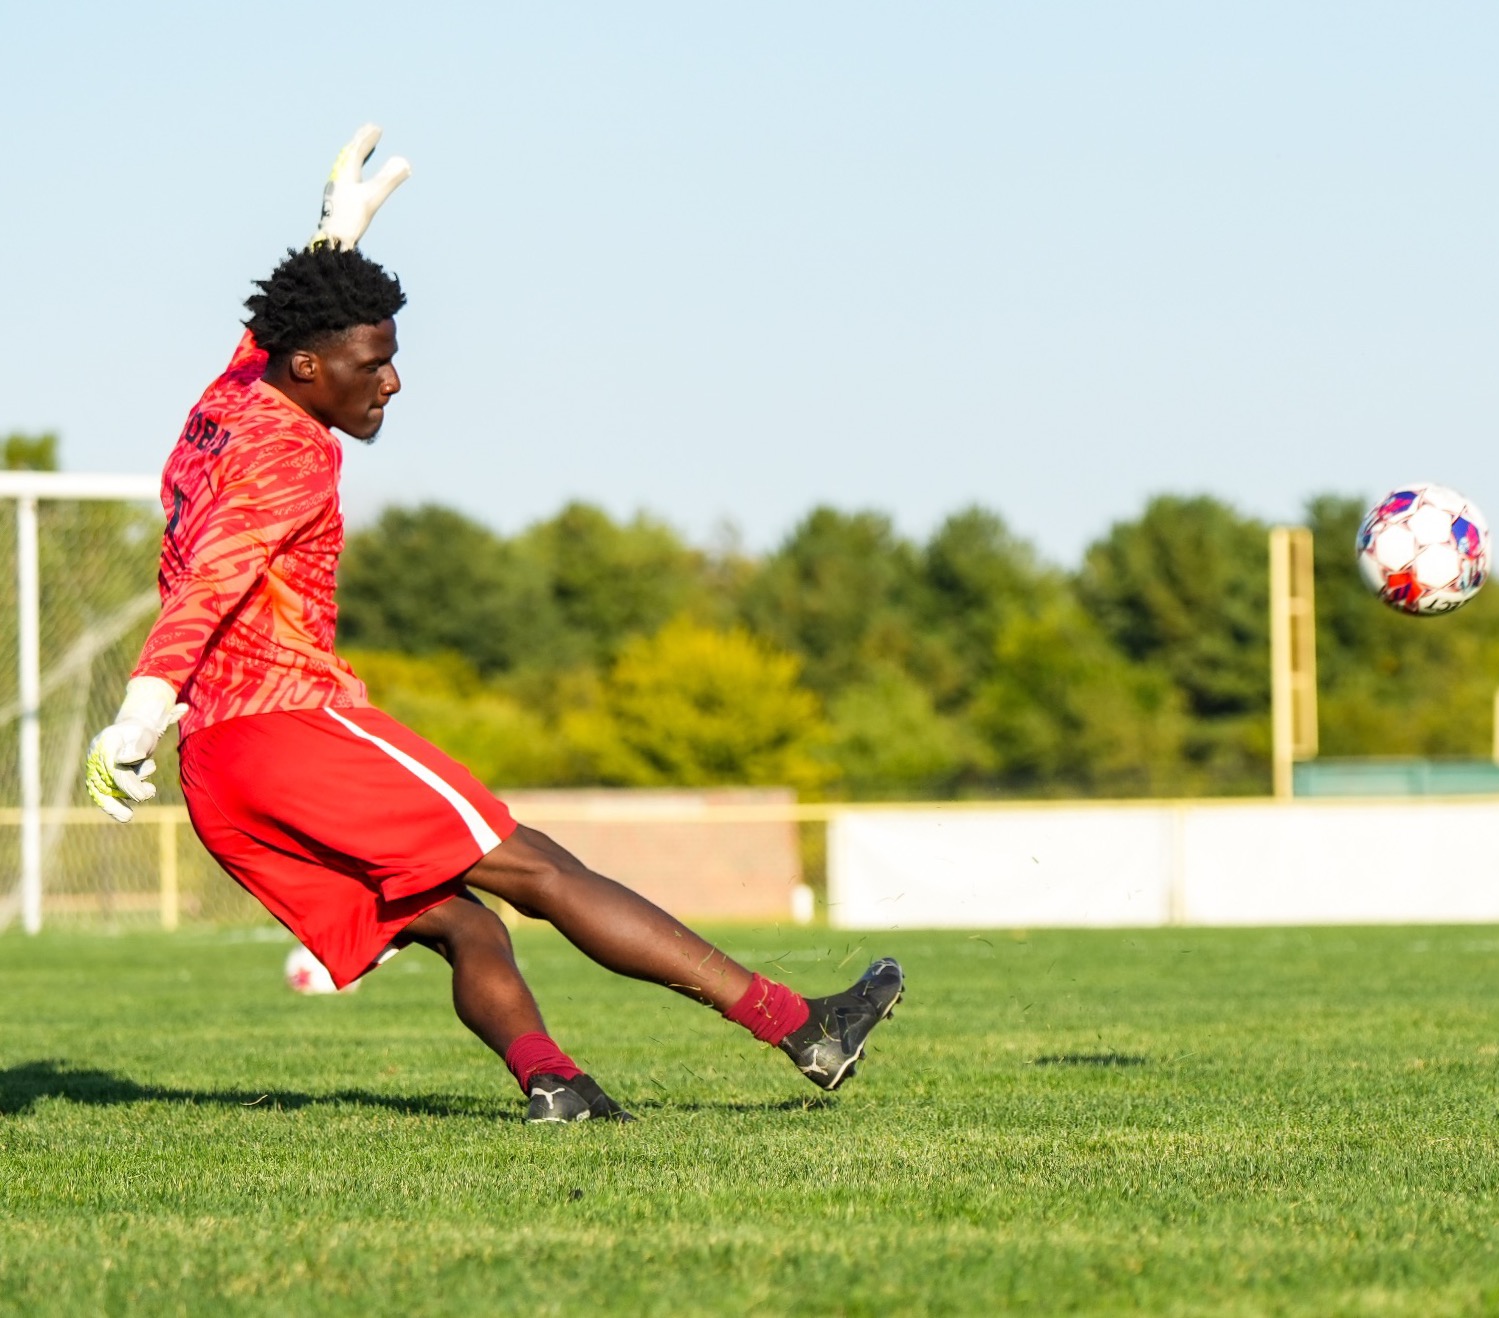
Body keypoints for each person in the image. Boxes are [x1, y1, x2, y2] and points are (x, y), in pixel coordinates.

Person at [82, 126, 902, 1124]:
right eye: (371, 360)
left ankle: (555, 1084)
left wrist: (334, 235)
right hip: (288, 729)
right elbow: (209, 585)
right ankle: (798, 1023)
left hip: (222, 776)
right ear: (309, 367)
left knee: (467, 924)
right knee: (539, 868)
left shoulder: (228, 400)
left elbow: (264, 339)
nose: (390, 380)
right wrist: (136, 710)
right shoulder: (293, 451)